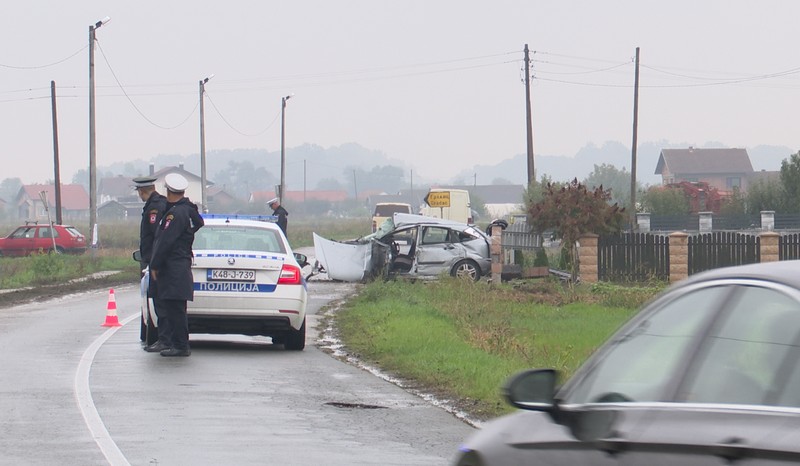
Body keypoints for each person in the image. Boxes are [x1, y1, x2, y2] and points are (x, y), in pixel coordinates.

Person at [149, 173, 204, 357]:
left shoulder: (175, 214)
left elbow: (165, 241)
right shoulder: (187, 210)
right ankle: (178, 343)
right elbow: (198, 224)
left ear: (169, 191)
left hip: (173, 267)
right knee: (176, 307)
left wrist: (155, 264)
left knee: (175, 309)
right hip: (180, 265)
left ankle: (180, 345)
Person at [132, 176, 172, 353]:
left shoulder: (155, 207)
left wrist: (154, 261)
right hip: (158, 261)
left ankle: (165, 340)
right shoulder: (158, 204)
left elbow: (157, 237)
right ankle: (166, 339)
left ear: (142, 191)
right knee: (160, 302)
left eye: (139, 192)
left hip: (158, 263)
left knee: (161, 303)